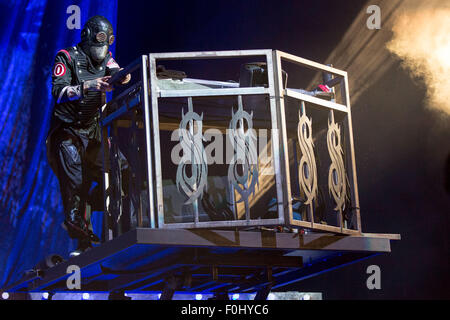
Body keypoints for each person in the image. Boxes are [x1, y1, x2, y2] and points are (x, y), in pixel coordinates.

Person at [46, 15, 130, 257]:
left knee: (121, 171)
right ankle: (83, 244)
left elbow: (119, 71)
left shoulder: (107, 58)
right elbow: (58, 92)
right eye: (97, 47)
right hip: (68, 132)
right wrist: (88, 86)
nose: (100, 53)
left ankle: (99, 211)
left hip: (94, 131)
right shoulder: (67, 57)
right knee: (76, 185)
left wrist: (122, 76)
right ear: (87, 39)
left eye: (104, 48)